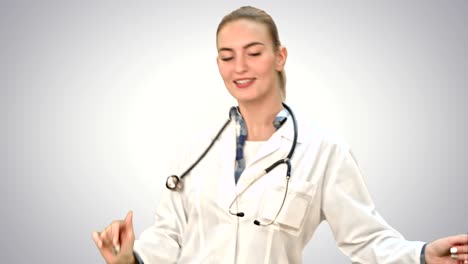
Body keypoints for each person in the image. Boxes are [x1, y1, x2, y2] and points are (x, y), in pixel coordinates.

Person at [92, 6, 468, 264]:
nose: (239, 67)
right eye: (227, 56)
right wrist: (129, 256)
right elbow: (170, 234)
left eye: (253, 53)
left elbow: (364, 238)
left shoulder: (324, 150)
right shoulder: (196, 148)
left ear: (280, 57)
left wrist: (419, 255)